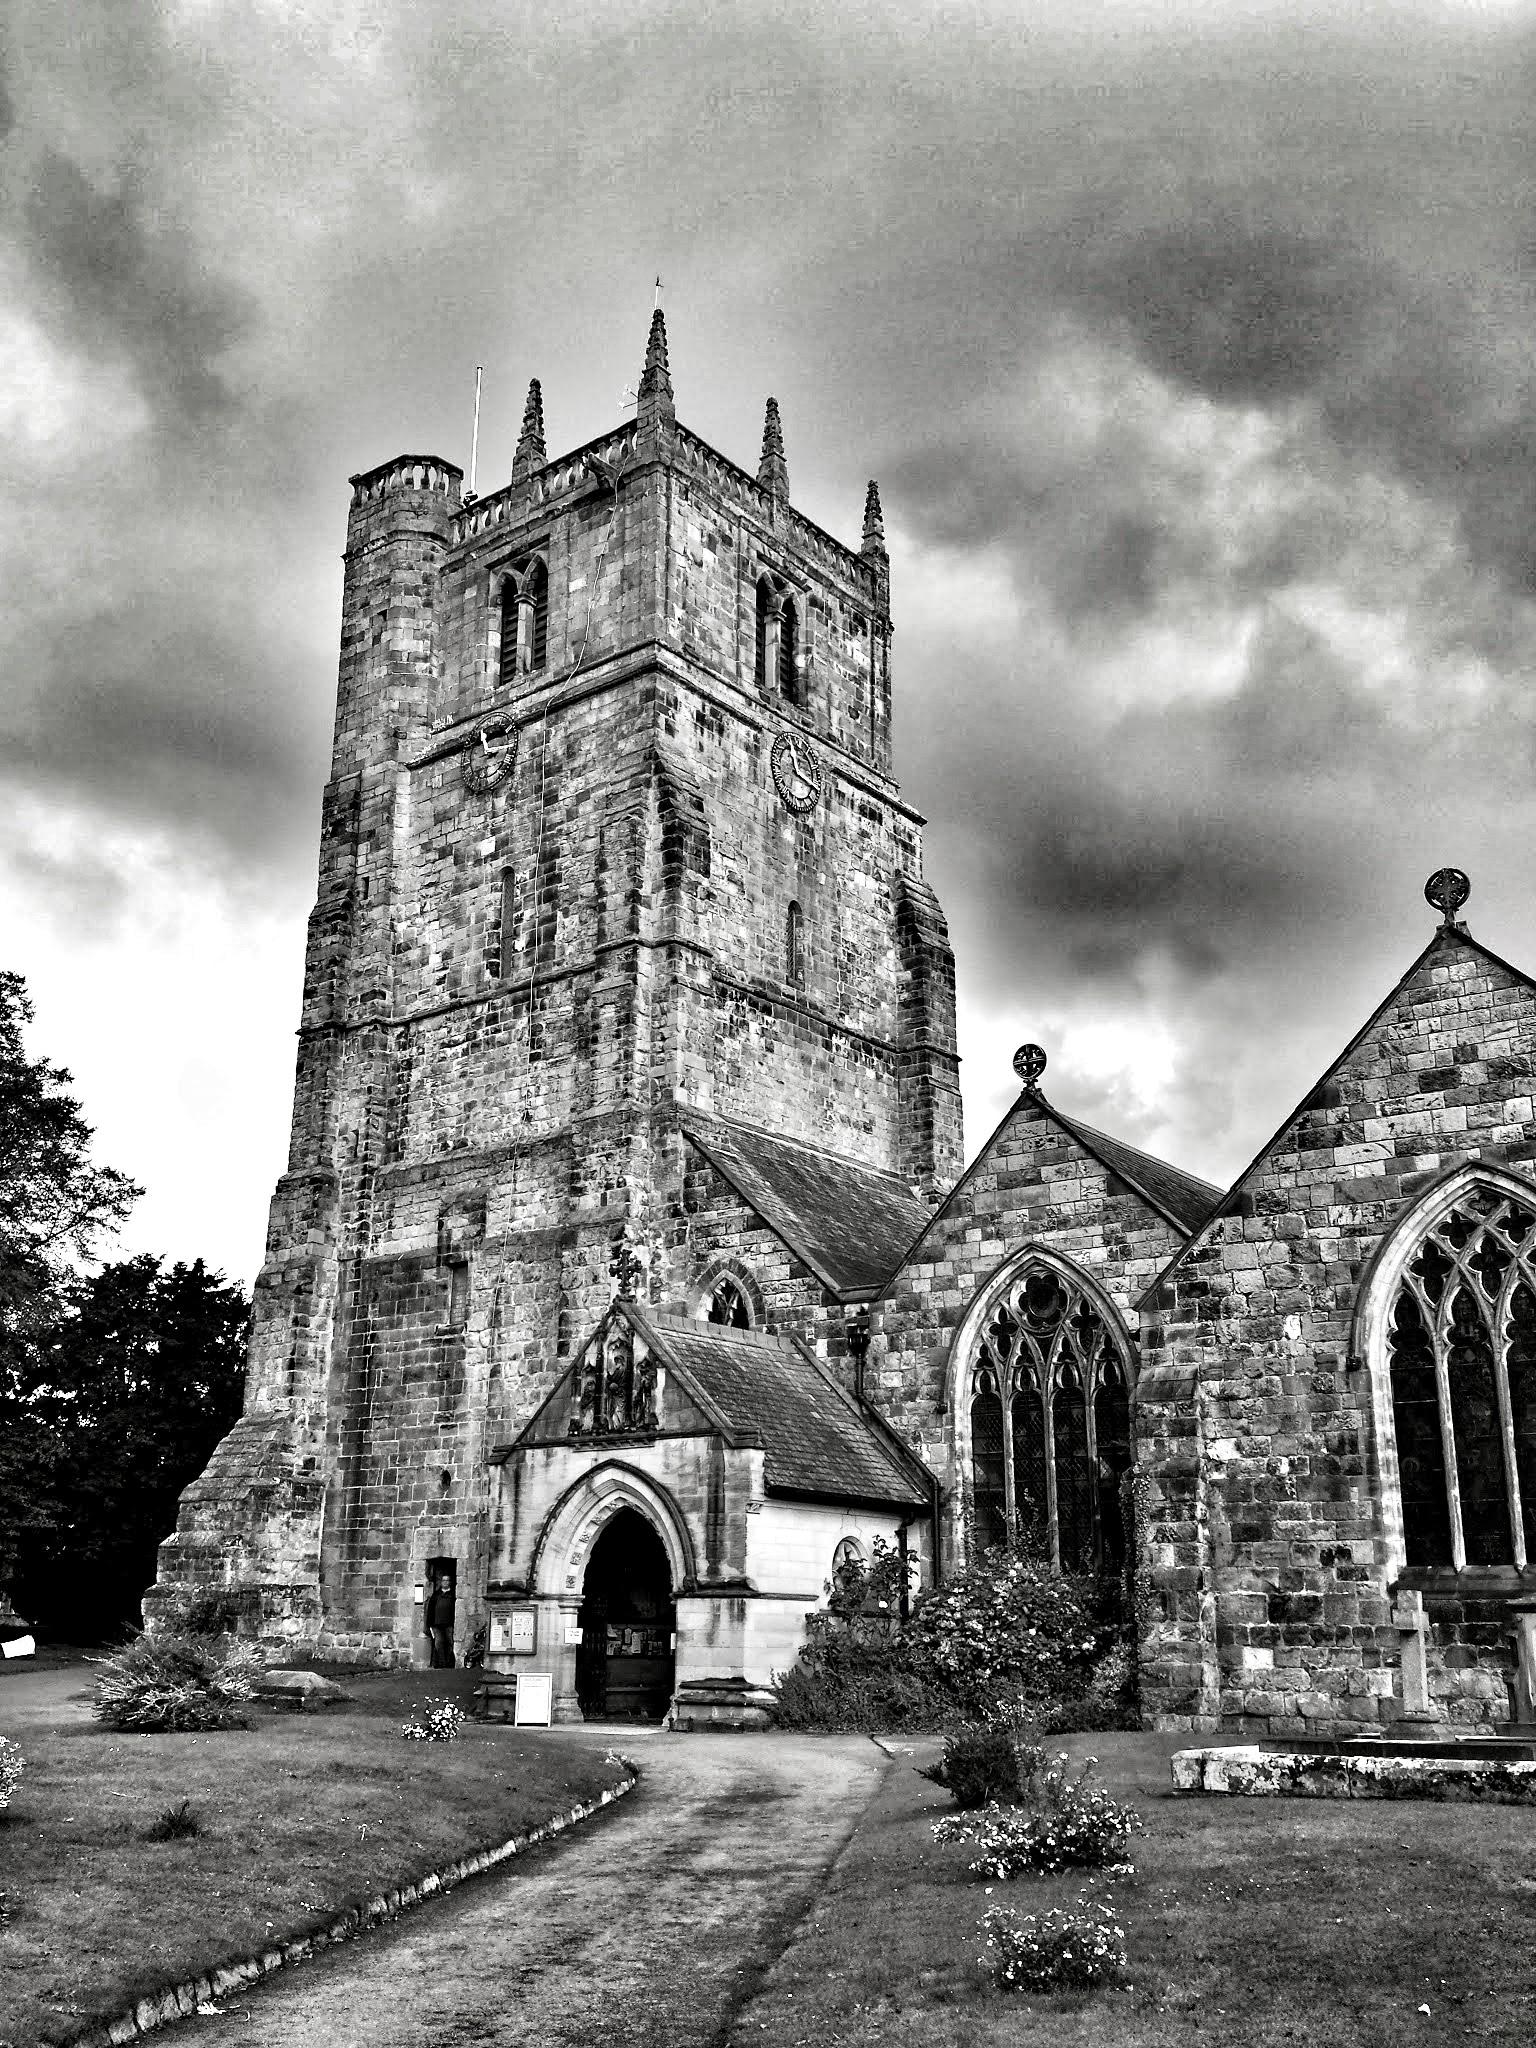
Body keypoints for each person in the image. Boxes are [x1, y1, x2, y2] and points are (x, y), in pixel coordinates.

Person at [425, 1572, 456, 1668]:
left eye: (447, 1580)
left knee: (449, 1642)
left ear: (450, 1582)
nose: (445, 1582)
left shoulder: (453, 1595)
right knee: (438, 1643)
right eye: (443, 1580)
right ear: (441, 1582)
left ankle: (448, 1663)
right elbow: (430, 1609)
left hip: (449, 1623)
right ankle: (442, 1663)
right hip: (436, 1624)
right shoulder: (436, 1595)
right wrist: (429, 1624)